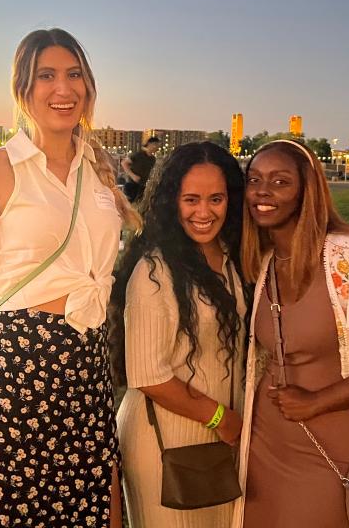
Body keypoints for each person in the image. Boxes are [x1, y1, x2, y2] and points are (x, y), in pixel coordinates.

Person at [0, 28, 139, 528]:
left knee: (95, 513)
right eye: (46, 76)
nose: (62, 89)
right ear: (23, 90)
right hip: (15, 375)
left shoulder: (99, 168)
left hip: (88, 374)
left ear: (88, 87)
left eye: (74, 75)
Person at [234, 140, 349, 528]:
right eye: (254, 180)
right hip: (263, 445)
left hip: (329, 446)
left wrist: (317, 401)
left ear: (308, 190)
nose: (262, 191)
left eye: (280, 181)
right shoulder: (261, 260)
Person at [110, 142, 248, 528]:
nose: (204, 212)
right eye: (191, 199)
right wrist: (221, 417)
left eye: (215, 198)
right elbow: (147, 375)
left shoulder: (231, 256)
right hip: (166, 442)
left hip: (224, 439)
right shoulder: (155, 271)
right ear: (172, 201)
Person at [122, 136, 161, 203]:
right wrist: (133, 176)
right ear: (149, 144)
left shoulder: (153, 159)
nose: (157, 147)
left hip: (143, 187)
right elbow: (124, 163)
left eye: (158, 145)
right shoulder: (138, 155)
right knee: (128, 207)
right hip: (131, 185)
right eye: (155, 145)